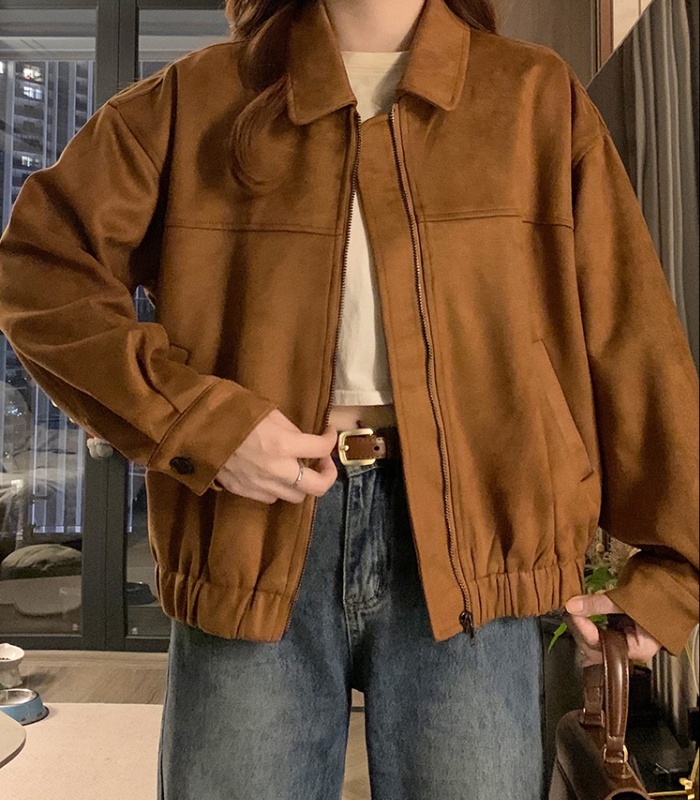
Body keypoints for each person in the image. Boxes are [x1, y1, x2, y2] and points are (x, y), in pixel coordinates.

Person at [0, 0, 697, 797]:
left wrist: (673, 569)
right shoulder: (194, 99)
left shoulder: (535, 97)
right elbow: (42, 273)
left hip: (478, 541)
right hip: (251, 533)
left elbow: (629, 331)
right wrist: (203, 424)